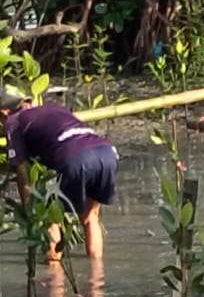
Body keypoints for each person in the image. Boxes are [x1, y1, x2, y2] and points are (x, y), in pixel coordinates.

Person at [0, 89, 118, 262]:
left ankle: (54, 271)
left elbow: (21, 168)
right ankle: (96, 270)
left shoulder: (13, 121)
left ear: (4, 112)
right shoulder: (54, 108)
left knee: (51, 218)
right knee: (90, 218)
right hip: (107, 153)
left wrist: (29, 207)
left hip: (75, 157)